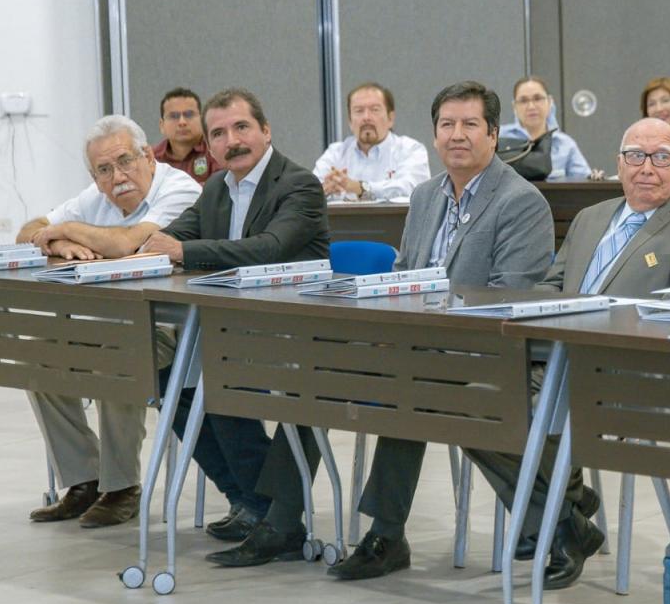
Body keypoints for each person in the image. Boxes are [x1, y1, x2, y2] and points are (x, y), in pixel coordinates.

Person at [213, 81, 555, 569]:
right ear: (434, 134)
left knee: (411, 381)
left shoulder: (521, 202)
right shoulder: (426, 196)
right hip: (414, 342)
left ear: (494, 134)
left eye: (470, 124)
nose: (457, 135)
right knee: (317, 369)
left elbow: (509, 299)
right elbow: (404, 274)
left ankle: (386, 535)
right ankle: (281, 521)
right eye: (447, 124)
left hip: (481, 353)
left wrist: (424, 327)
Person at [461, 117, 670, 590]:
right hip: (555, 361)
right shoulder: (591, 218)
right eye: (635, 156)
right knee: (469, 403)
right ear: (618, 164)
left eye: (661, 157)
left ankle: (558, 514)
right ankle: (567, 521)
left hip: (631, 374)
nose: (646, 167)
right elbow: (551, 286)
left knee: (533, 411)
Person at [139, 87, 331, 545]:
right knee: (167, 382)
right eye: (219, 134)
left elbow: (269, 249)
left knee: (219, 375)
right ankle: (250, 500)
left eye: (242, 127)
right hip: (235, 327)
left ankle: (268, 509)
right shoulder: (216, 189)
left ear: (266, 130)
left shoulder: (299, 184)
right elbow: (168, 238)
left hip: (298, 328)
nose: (232, 141)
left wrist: (182, 251)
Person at [16, 115, 201, 527]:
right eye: (104, 170)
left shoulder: (179, 188)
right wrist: (59, 241)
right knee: (38, 359)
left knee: (116, 356)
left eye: (125, 161)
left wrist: (65, 229)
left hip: (168, 326)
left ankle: (122, 487)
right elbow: (27, 232)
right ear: (94, 177)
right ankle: (84, 479)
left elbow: (126, 243)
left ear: (148, 156)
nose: (117, 177)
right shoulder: (97, 195)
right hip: (104, 321)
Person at [313, 82, 430, 200]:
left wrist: (360, 188)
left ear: (390, 118)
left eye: (375, 110)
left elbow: (412, 189)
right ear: (350, 121)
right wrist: (325, 189)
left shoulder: (411, 150)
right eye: (359, 111)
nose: (366, 117)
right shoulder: (336, 153)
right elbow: (311, 190)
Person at [497, 75, 595, 180]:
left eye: (537, 98)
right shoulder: (497, 138)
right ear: (514, 106)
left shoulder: (565, 144)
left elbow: (585, 180)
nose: (531, 106)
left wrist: (594, 177)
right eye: (523, 100)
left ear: (550, 102)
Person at [154, 87, 222, 184]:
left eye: (189, 114)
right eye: (173, 116)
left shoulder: (217, 151)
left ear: (202, 120)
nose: (182, 122)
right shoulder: (152, 159)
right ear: (162, 125)